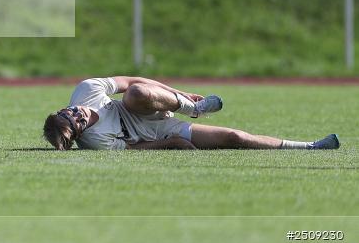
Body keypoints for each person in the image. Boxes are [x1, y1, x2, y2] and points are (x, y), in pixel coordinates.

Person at [43, 76, 340, 151]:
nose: (80, 113)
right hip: (157, 132)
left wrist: (180, 95)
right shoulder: (95, 142)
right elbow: (136, 147)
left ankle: (195, 109)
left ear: (63, 108)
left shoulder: (85, 91)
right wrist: (171, 143)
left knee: (135, 93)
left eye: (71, 112)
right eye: (79, 121)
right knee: (233, 137)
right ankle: (312, 146)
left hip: (150, 104)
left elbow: (132, 80)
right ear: (80, 133)